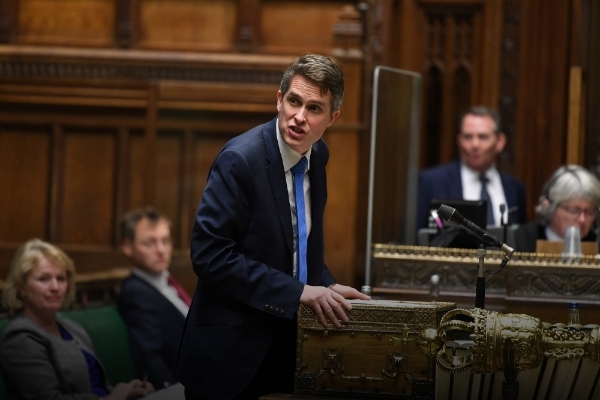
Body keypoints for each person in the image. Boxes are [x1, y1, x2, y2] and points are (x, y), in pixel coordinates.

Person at [176, 53, 371, 400]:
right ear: (279, 99)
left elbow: (298, 244)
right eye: (294, 101)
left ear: (332, 117)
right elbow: (210, 257)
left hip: (287, 346)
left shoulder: (318, 155)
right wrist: (298, 292)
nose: (299, 117)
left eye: (314, 108)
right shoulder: (240, 160)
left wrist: (325, 283)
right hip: (230, 355)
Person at [0, 238, 154, 400]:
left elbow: (100, 385)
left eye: (61, 279)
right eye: (43, 279)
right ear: (21, 288)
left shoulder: (71, 327)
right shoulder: (20, 337)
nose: (55, 287)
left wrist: (130, 391)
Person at [417, 105, 527, 230]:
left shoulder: (515, 187)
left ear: (500, 142)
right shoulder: (431, 182)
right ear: (459, 141)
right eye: (468, 137)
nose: (475, 145)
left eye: (483, 137)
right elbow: (413, 237)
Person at [117, 207, 190, 390]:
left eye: (165, 241)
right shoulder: (137, 293)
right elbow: (151, 358)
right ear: (128, 247)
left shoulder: (168, 282)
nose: (161, 250)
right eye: (150, 243)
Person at [514, 165, 600, 252]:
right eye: (573, 211)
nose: (582, 219)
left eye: (589, 212)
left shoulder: (597, 243)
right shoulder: (520, 241)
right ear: (550, 208)